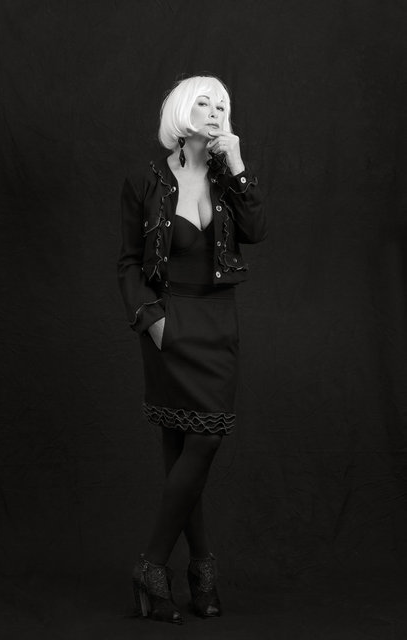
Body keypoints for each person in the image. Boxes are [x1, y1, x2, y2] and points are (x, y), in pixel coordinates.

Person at [117, 74, 268, 624]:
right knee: (182, 451)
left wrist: (239, 163)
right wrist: (151, 321)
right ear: (182, 111)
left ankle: (152, 566)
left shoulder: (229, 178)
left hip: (218, 324)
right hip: (168, 322)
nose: (213, 111)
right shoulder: (146, 179)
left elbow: (257, 229)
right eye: (203, 102)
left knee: (201, 445)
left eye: (221, 104)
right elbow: (129, 262)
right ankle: (200, 574)